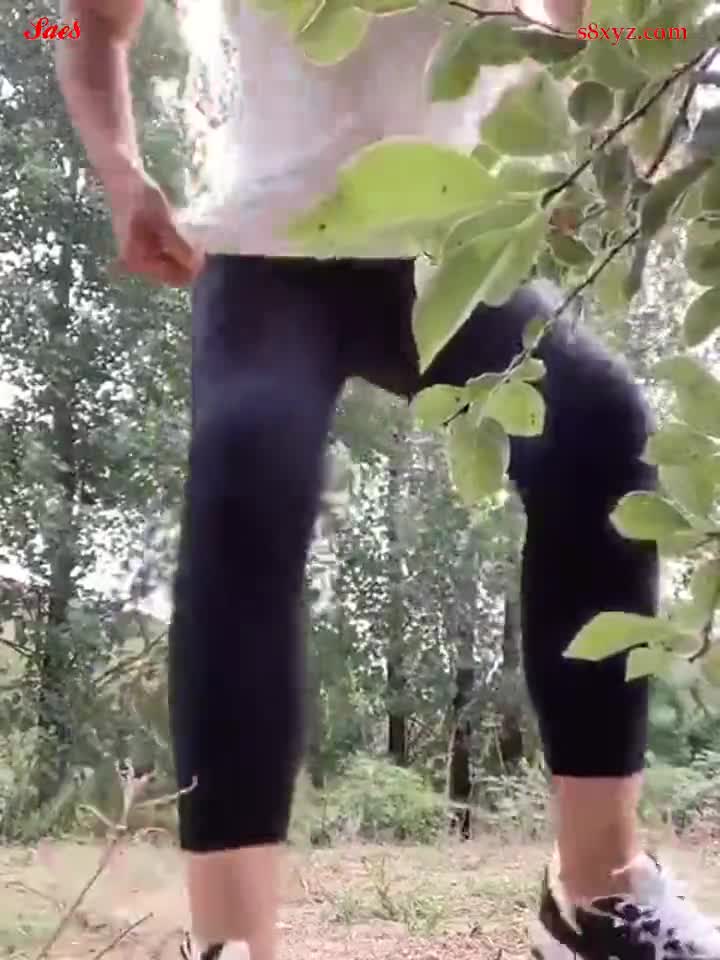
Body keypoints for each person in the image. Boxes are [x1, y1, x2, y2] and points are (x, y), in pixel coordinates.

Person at [55, 1, 720, 957]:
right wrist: (123, 175)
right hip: (269, 246)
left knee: (599, 425)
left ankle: (599, 894)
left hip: (457, 250)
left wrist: (649, 74)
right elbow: (81, 22)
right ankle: (231, 941)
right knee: (248, 462)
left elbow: (593, 31)